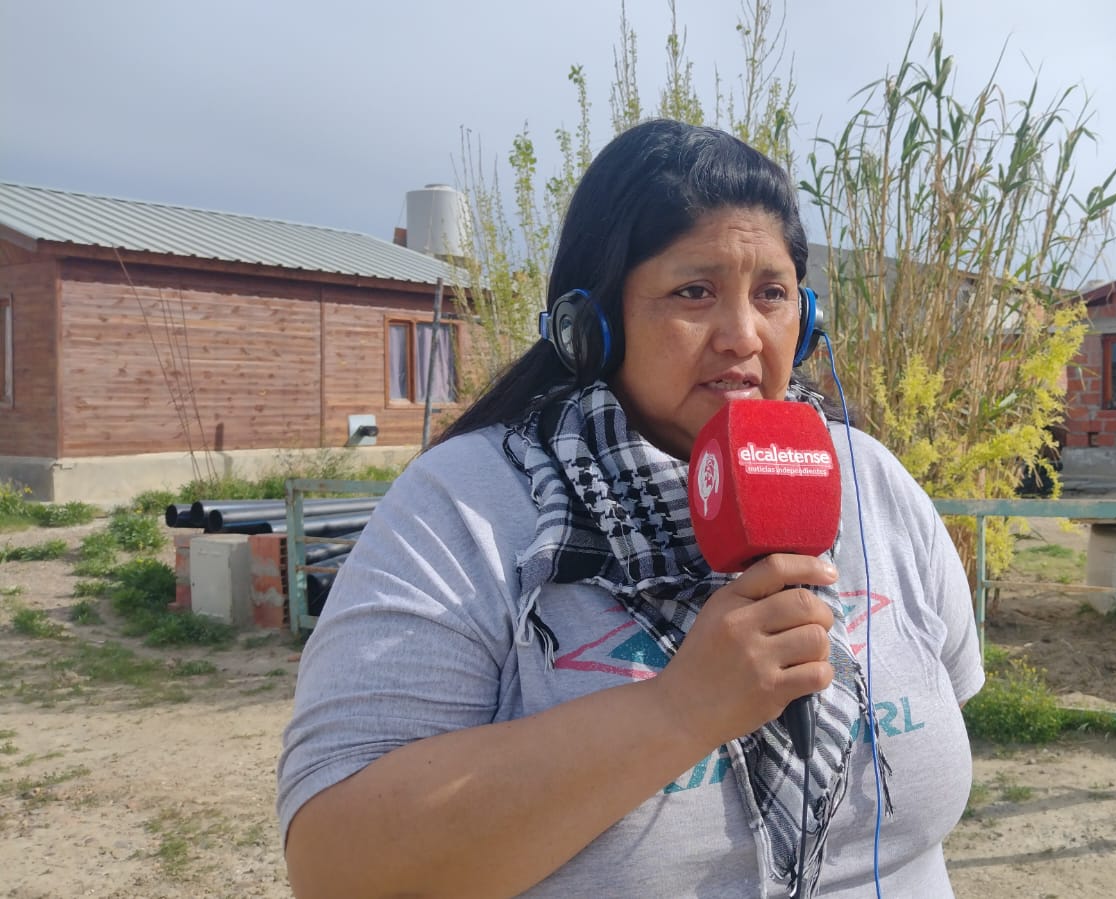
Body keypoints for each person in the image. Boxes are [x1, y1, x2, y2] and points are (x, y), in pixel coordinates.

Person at [277, 119, 983, 899]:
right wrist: (677, 711)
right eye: (694, 291)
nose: (742, 336)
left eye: (771, 294)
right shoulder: (470, 506)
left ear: (805, 319)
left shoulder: (870, 479)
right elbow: (337, 866)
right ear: (591, 326)